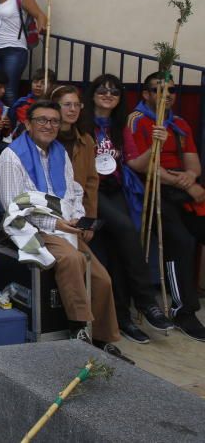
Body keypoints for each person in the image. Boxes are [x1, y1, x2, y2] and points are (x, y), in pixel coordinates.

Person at [0, 100, 123, 352]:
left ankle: (102, 338)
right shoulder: (11, 157)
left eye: (54, 121)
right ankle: (79, 329)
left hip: (66, 226)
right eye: (41, 120)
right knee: (72, 260)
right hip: (31, 228)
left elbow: (73, 191)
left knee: (102, 279)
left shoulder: (59, 152)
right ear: (27, 123)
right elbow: (14, 208)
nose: (49, 126)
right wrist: (57, 223)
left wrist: (78, 217)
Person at [76, 75, 173, 342]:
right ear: (92, 93)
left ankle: (123, 319)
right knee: (126, 228)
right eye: (103, 89)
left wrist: (156, 146)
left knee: (117, 254)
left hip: (116, 189)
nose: (108, 94)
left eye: (115, 91)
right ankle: (145, 300)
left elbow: (134, 164)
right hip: (90, 191)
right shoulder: (80, 123)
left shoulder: (121, 126)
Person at [125, 73, 205, 341]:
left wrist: (191, 178)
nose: (167, 95)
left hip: (181, 186)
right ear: (146, 95)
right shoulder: (137, 120)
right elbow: (144, 167)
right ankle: (184, 312)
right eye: (159, 90)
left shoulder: (179, 123)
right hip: (151, 191)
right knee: (180, 241)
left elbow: (193, 164)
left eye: (171, 90)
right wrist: (186, 184)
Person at [10, 68, 57, 137]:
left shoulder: (55, 104)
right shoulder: (23, 103)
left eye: (43, 83)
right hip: (24, 137)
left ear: (52, 86)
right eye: (35, 82)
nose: (38, 85)